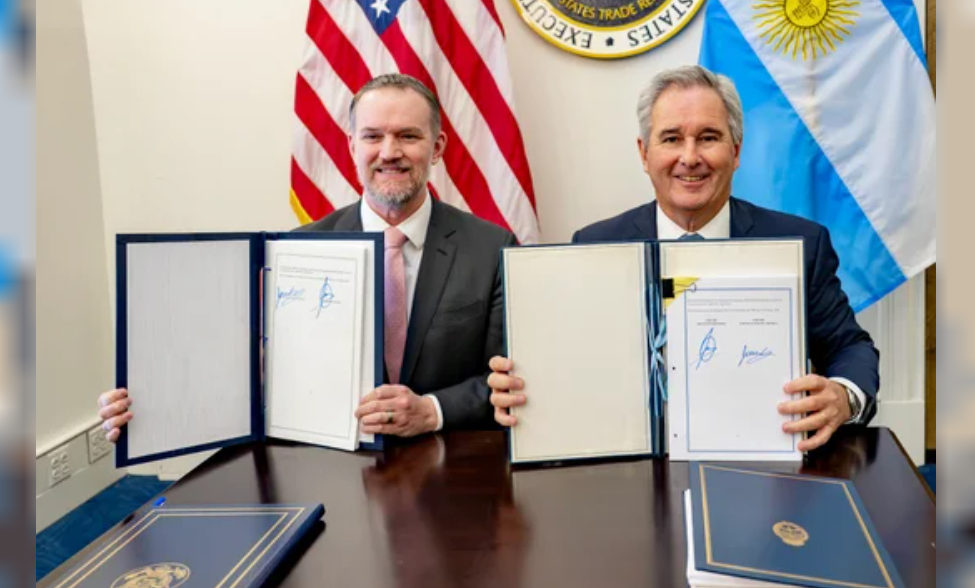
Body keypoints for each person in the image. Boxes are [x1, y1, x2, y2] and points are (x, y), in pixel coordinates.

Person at [99, 73, 515, 441]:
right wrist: (151, 407)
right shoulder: (295, 251)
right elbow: (255, 375)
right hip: (327, 463)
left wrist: (432, 411)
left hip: (452, 460)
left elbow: (509, 378)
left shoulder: (492, 248)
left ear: (437, 147)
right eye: (372, 136)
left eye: (408, 136)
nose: (389, 152)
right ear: (352, 145)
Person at [488, 65, 879, 452]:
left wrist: (843, 397)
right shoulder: (595, 244)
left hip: (757, 460)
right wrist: (527, 391)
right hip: (631, 464)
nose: (690, 157)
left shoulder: (800, 243)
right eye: (672, 139)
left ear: (736, 151)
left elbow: (850, 347)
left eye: (708, 138)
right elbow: (573, 362)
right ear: (644, 153)